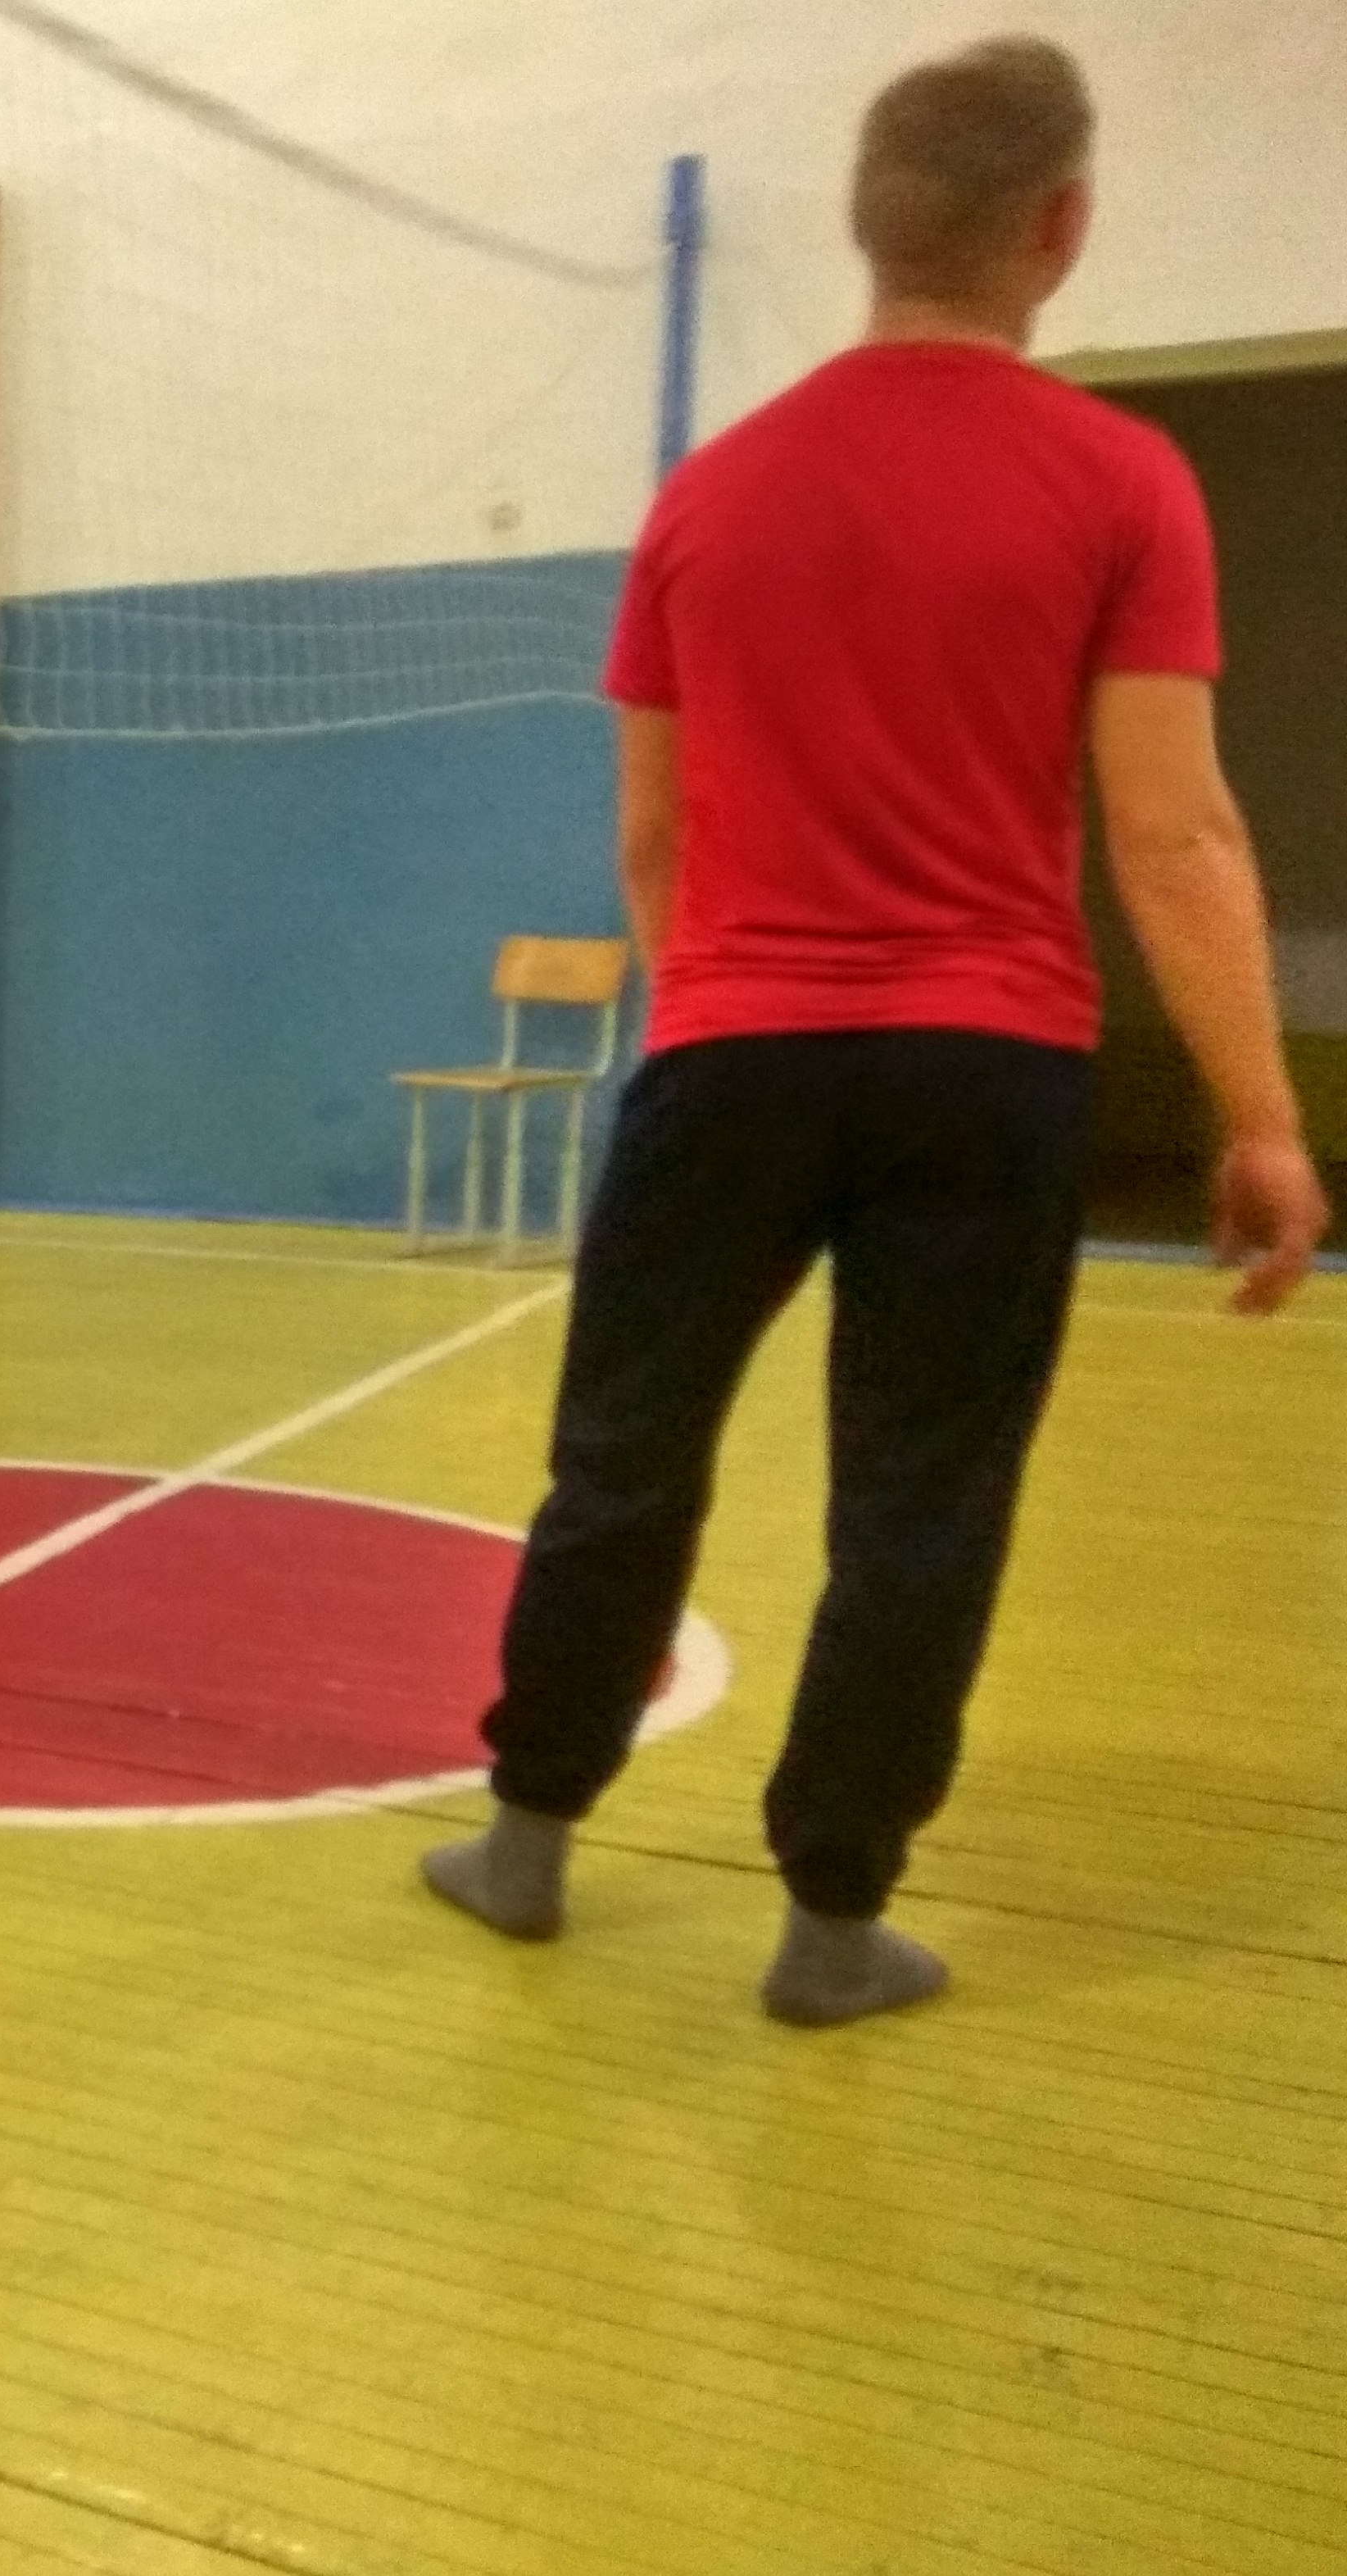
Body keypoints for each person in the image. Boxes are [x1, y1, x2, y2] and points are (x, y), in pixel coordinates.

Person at [419, 39, 1327, 2025]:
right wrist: (1261, 1116)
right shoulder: (1123, 483)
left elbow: (652, 839)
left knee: (622, 1458)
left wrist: (724, 1009)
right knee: (921, 1492)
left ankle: (527, 1839)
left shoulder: (705, 498)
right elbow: (1173, 832)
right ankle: (833, 1923)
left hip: (728, 1054)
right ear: (1061, 224)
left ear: (865, 224)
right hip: (987, 1072)